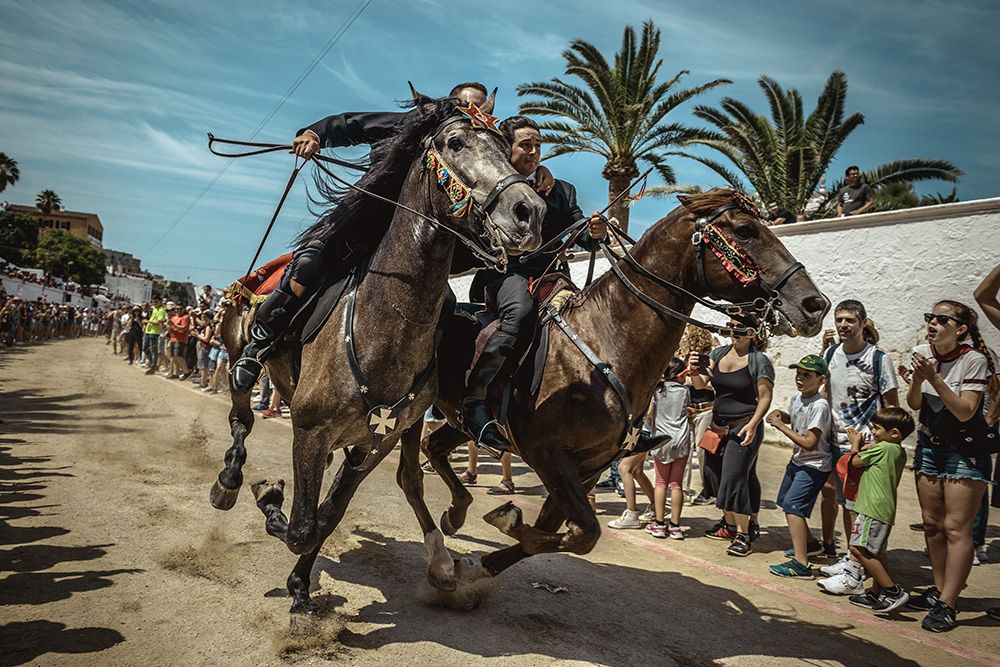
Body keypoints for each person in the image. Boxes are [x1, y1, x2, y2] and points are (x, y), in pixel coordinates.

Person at [229, 82, 555, 395]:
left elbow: (499, 172)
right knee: (309, 265)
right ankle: (259, 341)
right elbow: (352, 124)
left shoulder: (478, 146)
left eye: (480, 106)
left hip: (413, 248)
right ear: (448, 104)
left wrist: (536, 174)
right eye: (465, 104)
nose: (472, 111)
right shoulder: (411, 125)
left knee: (447, 305)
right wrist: (315, 134)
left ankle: (428, 384)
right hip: (362, 222)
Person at [461, 115, 607, 456]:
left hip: (553, 278)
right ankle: (476, 399)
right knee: (521, 313)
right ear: (506, 147)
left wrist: (594, 232)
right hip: (506, 274)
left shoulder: (562, 189)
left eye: (538, 145)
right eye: (526, 144)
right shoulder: (490, 184)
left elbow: (580, 231)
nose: (534, 151)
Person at [906, 301, 998, 632]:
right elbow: (915, 403)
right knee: (932, 525)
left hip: (964, 453)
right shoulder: (921, 351)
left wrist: (935, 378)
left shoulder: (973, 360)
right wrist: (918, 379)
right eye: (930, 317)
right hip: (929, 447)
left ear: (960, 329)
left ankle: (948, 602)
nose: (933, 323)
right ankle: (941, 589)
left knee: (956, 528)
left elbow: (965, 411)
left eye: (942, 319)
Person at [816, 300, 900, 595]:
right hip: (839, 443)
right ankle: (853, 559)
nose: (843, 325)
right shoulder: (830, 354)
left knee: (862, 510)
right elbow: (826, 393)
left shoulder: (878, 359)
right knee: (846, 505)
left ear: (864, 323)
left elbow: (892, 406)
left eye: (850, 320)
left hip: (867, 448)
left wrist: (881, 443)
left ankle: (856, 571)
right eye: (839, 319)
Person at [697, 316, 774, 556]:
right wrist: (695, 368)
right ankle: (730, 524)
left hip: (743, 426)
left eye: (740, 329)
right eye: (731, 328)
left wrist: (753, 424)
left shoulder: (758, 360)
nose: (734, 332)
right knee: (713, 474)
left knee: (735, 477)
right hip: (717, 425)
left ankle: (743, 534)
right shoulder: (718, 353)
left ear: (752, 333)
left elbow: (765, 397)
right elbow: (700, 385)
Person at [766, 355, 834, 578]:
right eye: (799, 373)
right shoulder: (797, 398)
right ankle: (812, 545)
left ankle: (801, 563)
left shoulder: (820, 406)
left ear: (821, 379)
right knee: (785, 501)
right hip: (798, 461)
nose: (800, 378)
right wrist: (781, 415)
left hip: (814, 465)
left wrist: (779, 427)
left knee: (793, 507)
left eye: (807, 375)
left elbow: (810, 443)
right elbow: (793, 417)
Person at [844, 408, 913, 612]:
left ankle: (892, 591)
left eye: (876, 428)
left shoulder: (883, 447)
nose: (873, 432)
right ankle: (876, 593)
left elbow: (855, 462)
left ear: (894, 433)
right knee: (877, 552)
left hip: (871, 507)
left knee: (858, 548)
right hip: (884, 508)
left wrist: (855, 445)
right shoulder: (898, 450)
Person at [644, 359, 692, 539]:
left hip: (662, 439)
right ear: (679, 374)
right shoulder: (685, 391)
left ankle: (659, 524)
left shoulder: (658, 391)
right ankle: (675, 526)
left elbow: (649, 414)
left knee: (660, 483)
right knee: (676, 484)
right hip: (681, 439)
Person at [142, 296, 167, 375]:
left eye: (156, 302)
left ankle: (153, 366)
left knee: (153, 350)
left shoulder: (162, 310)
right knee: (145, 348)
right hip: (148, 331)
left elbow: (159, 322)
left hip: (155, 332)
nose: (154, 303)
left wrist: (148, 321)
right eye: (153, 302)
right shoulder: (154, 309)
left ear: (160, 301)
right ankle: (152, 362)